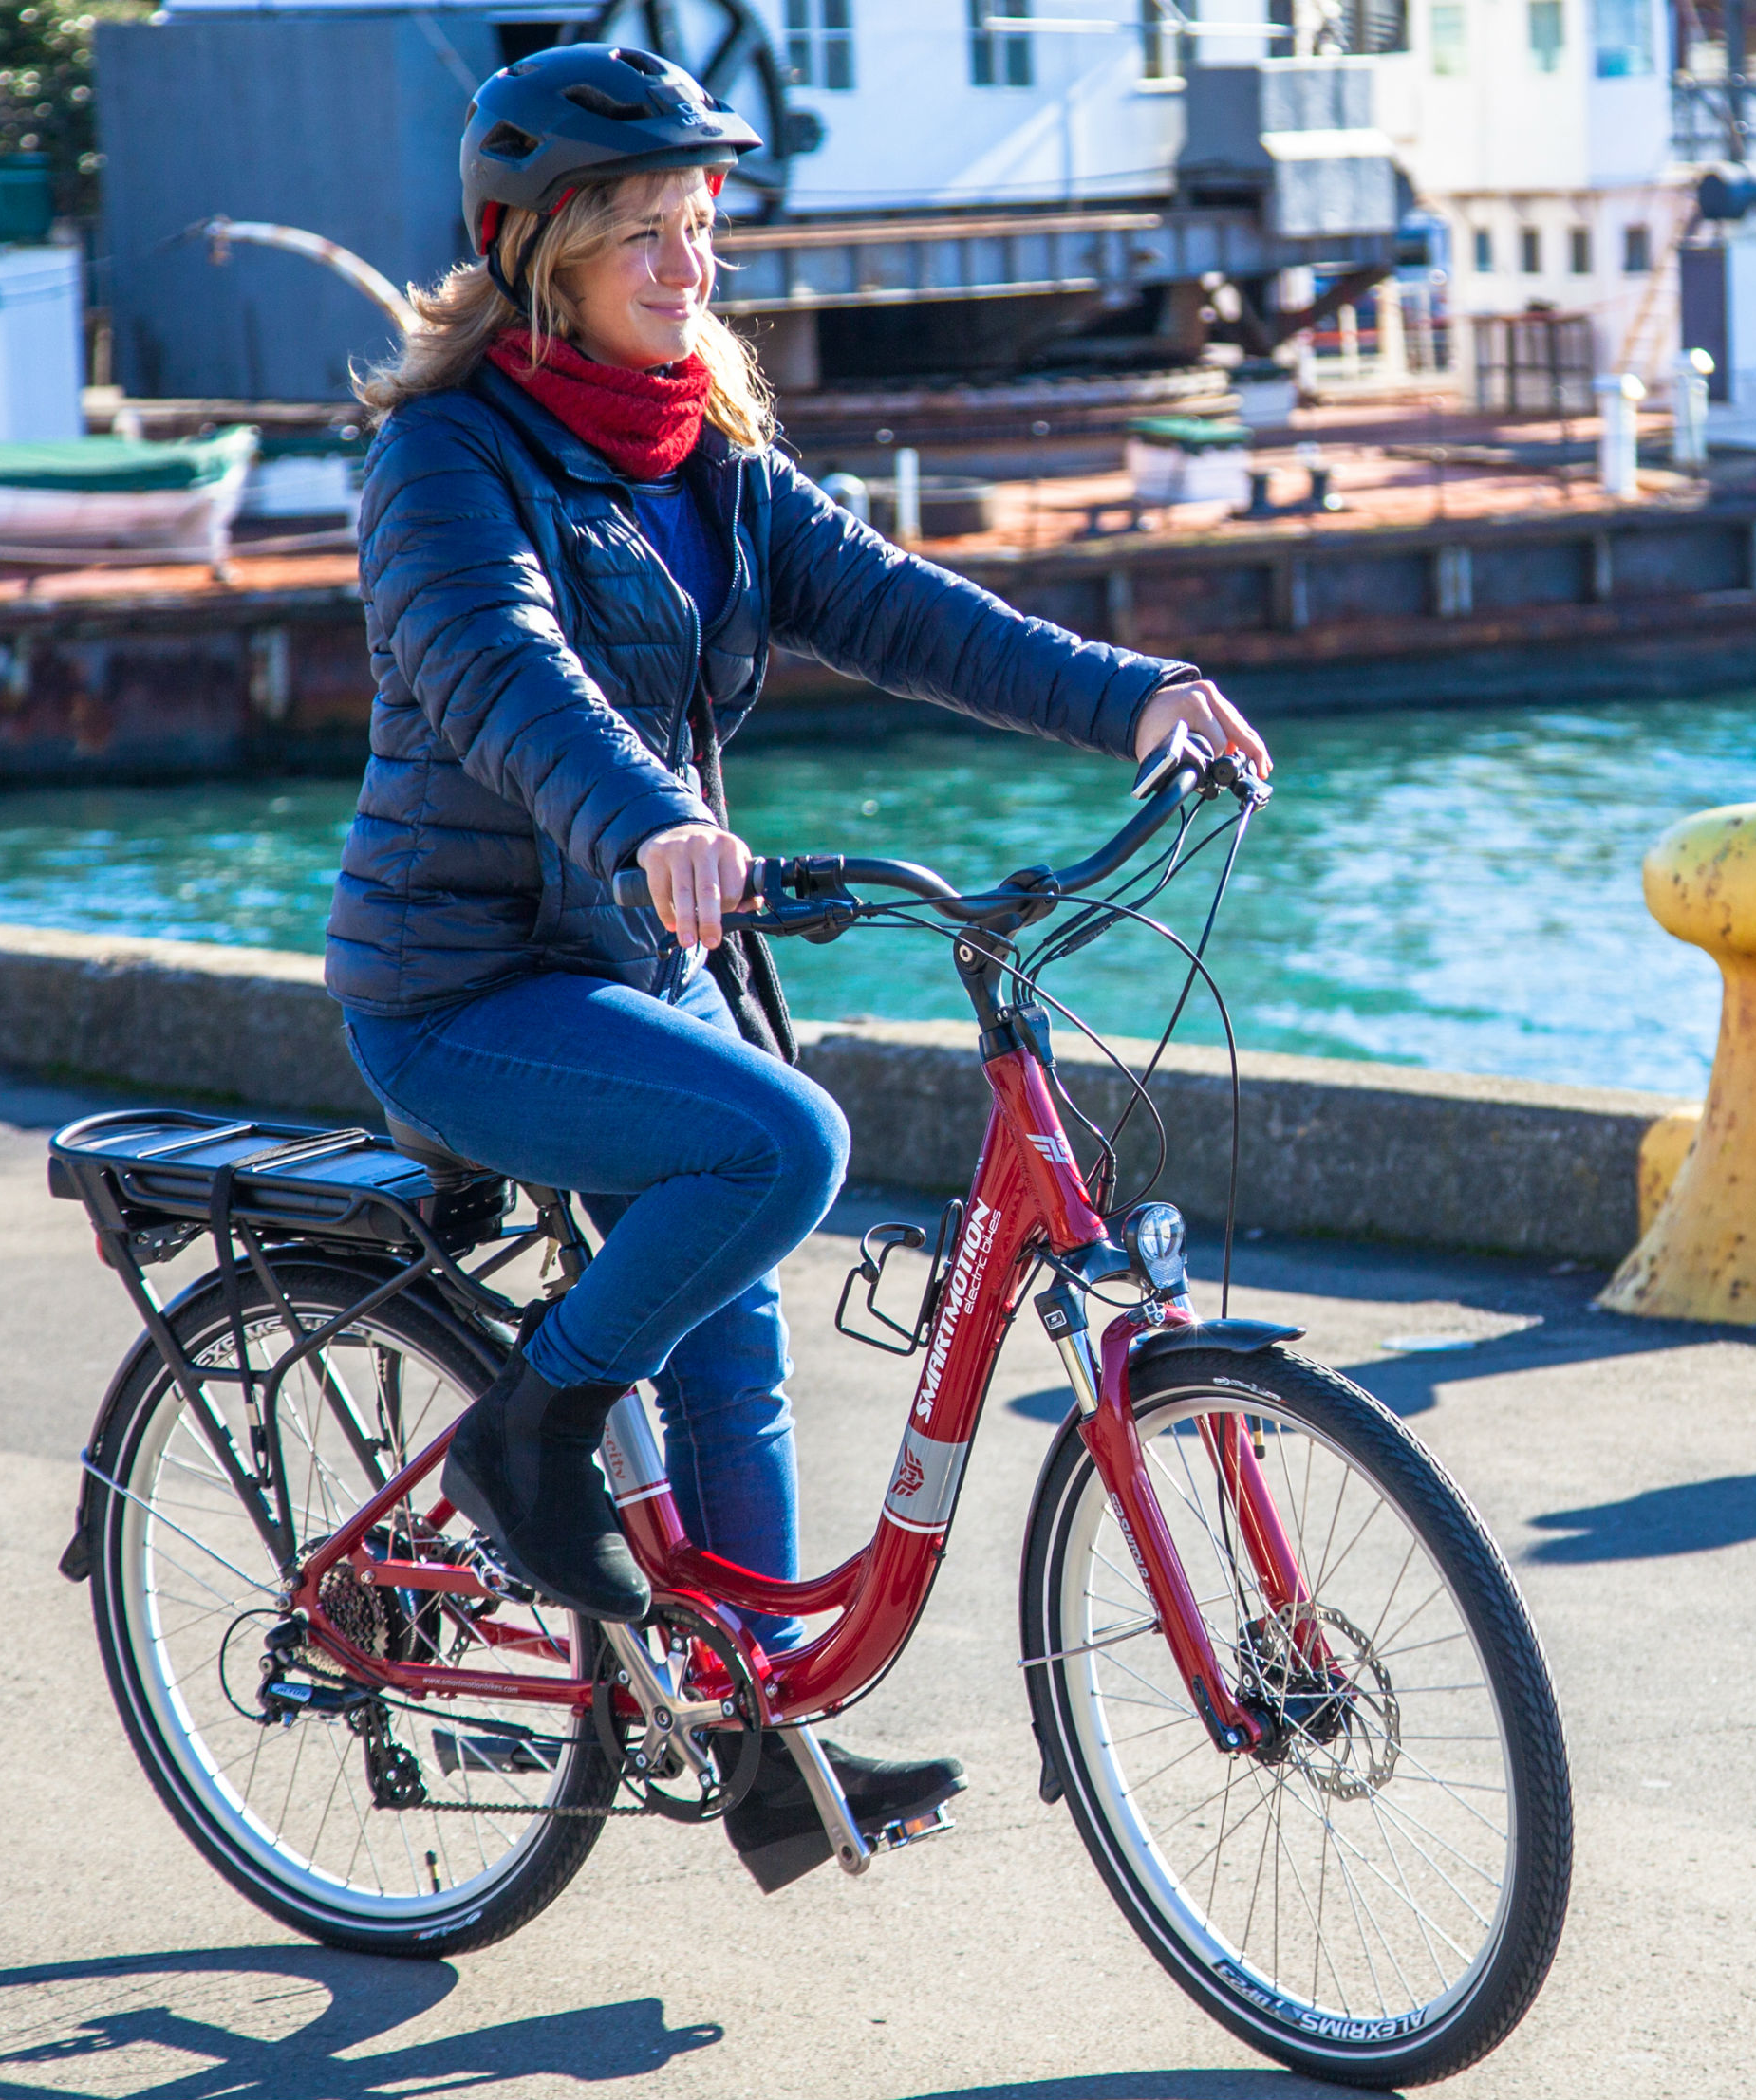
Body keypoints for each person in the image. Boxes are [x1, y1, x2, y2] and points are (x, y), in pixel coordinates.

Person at [325, 45, 1270, 1884]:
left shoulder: (709, 452)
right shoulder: (442, 461)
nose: (688, 270)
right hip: (464, 984)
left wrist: (1133, 697)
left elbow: (903, 608)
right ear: (538, 254)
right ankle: (528, 1446)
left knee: (736, 1334)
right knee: (784, 1147)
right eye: (642, 236)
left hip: (643, 960)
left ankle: (753, 1715)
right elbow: (504, 673)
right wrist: (646, 820)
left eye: (699, 231)